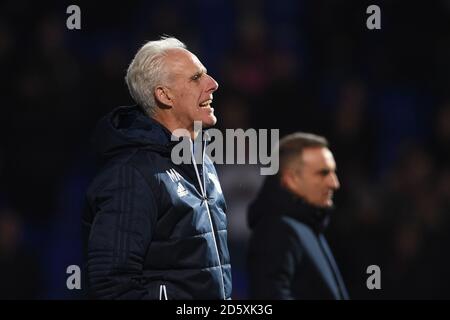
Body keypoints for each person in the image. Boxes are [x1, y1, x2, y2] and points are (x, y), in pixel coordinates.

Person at [83, 37, 232, 300]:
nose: (213, 84)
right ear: (164, 95)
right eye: (196, 78)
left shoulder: (203, 161)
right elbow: (112, 286)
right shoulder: (131, 174)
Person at [247, 132, 349, 299]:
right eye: (323, 173)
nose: (334, 183)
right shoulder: (277, 230)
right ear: (291, 179)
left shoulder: (306, 225)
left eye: (333, 172)